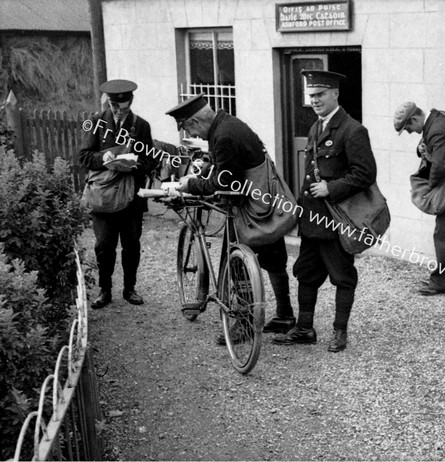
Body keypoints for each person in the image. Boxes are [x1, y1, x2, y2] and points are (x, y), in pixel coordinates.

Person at [165, 95, 296, 340]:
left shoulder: (222, 136)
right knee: (275, 259)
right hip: (266, 205)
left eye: (189, 128)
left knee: (233, 263)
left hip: (248, 210)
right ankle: (285, 314)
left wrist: (190, 184)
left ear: (194, 121)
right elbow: (226, 162)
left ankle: (245, 323)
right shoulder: (229, 124)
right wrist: (206, 166)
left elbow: (223, 182)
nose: (194, 135)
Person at [273, 70, 377, 353]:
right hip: (312, 218)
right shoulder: (316, 128)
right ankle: (305, 329)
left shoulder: (353, 130)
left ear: (335, 94)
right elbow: (309, 175)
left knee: (342, 276)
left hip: (336, 220)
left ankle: (339, 332)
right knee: (305, 273)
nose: (315, 101)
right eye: (311, 96)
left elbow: (365, 174)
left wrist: (332, 188)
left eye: (320, 95)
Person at [80, 79, 157, 309]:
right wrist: (103, 159)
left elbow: (150, 159)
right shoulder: (94, 123)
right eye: (114, 106)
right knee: (104, 245)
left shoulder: (141, 125)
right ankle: (105, 290)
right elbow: (83, 157)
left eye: (123, 108)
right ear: (109, 103)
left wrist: (134, 163)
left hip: (131, 197)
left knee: (132, 244)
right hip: (103, 197)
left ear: (130, 103)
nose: (118, 111)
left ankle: (129, 288)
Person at [393, 101, 445, 295]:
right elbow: (427, 144)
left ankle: (441, 282)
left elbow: (439, 166)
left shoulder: (439, 130)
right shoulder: (438, 118)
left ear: (415, 118)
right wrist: (421, 150)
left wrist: (429, 189)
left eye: (408, 128)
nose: (410, 132)